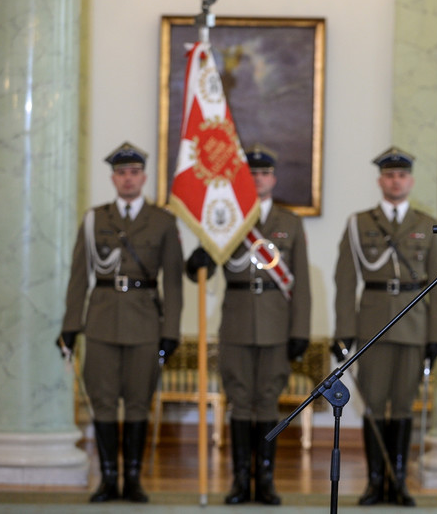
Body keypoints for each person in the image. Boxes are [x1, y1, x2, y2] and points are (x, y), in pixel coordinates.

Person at [58, 142, 184, 503]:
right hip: (99, 322)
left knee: (138, 403)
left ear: (143, 177)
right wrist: (71, 325)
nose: (127, 179)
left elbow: (173, 281)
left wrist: (171, 330)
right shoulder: (95, 218)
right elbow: (78, 276)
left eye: (133, 173)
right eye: (120, 173)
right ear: (113, 178)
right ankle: (108, 479)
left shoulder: (163, 221)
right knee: (102, 402)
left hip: (145, 324)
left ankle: (133, 479)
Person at [186, 144, 311, 506]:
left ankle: (266, 482)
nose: (258, 179)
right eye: (251, 174)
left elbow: (300, 281)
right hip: (237, 322)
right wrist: (196, 260)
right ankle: (241, 479)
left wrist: (300, 330)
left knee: (268, 402)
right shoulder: (225, 217)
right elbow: (202, 269)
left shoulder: (291, 223)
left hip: (276, 323)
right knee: (239, 402)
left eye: (264, 173)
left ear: (274, 177)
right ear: (243, 178)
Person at [332, 147, 437, 507]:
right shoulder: (359, 224)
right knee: (372, 405)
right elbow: (345, 280)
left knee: (402, 407)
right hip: (372, 328)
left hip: (414, 327)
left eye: (401, 175)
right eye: (389, 175)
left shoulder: (426, 224)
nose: (395, 180)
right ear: (380, 181)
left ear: (410, 181)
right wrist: (344, 331)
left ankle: (398, 482)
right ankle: (374, 481)